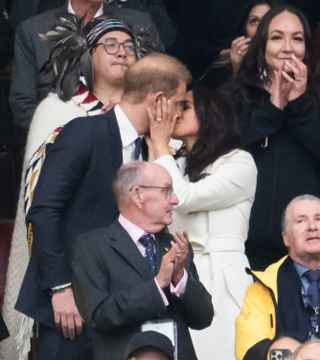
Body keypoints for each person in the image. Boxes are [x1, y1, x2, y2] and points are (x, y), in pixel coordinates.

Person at [15, 53, 191, 360]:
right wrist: (60, 287)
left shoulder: (153, 150)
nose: (179, 114)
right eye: (178, 104)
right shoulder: (84, 132)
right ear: (158, 100)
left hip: (125, 309)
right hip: (70, 309)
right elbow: (44, 211)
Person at [1, 15, 146, 360]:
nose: (122, 52)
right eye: (110, 44)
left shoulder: (151, 118)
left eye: (129, 46)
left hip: (130, 288)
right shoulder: (58, 111)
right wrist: (59, 285)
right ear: (87, 55)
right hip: (71, 283)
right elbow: (41, 207)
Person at [147, 84, 257, 359]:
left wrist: (161, 146)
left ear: (211, 114)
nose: (176, 113)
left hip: (224, 276)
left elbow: (183, 198)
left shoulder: (240, 162)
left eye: (185, 106)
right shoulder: (176, 161)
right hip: (180, 273)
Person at [71, 161, 214, 360]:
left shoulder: (177, 246)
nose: (175, 199)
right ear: (138, 195)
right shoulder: (92, 246)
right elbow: (98, 315)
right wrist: (157, 285)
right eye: (166, 190)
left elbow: (204, 317)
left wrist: (180, 278)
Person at [230, 4, 320, 270]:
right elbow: (230, 152)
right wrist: (273, 107)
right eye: (277, 37)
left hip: (310, 245)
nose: (288, 47)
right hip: (248, 245)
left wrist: (300, 102)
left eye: (297, 38)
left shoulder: (315, 96)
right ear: (262, 44)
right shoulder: (237, 94)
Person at [9, 0, 164, 132]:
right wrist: (77, 135)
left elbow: (162, 89)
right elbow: (22, 105)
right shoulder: (33, 30)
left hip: (131, 140)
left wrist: (129, 112)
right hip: (60, 149)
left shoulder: (139, 24)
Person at [236, 195, 320, 360]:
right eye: (301, 221)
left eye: (318, 218)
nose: (312, 226)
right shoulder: (262, 288)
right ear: (285, 237)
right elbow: (250, 352)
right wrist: (300, 356)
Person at [200, 0, 274, 88]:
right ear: (245, 30)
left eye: (269, 20)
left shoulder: (291, 65)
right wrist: (238, 70)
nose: (261, 28)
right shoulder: (220, 72)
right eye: (254, 22)